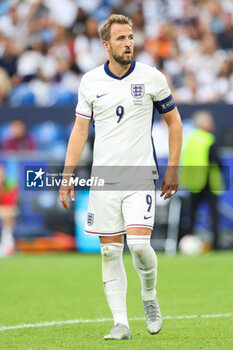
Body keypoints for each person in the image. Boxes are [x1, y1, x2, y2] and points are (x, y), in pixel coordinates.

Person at [60, 14, 182, 340]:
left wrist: (173, 167)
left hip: (140, 176)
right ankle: (121, 323)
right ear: (105, 45)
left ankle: (149, 296)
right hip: (104, 181)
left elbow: (175, 123)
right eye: (120, 38)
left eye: (130, 37)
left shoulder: (152, 77)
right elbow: (80, 131)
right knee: (110, 252)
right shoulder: (90, 82)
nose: (128, 43)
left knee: (140, 245)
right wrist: (67, 175)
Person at [180, 111, 224, 250]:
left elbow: (185, 162)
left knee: (191, 216)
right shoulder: (210, 139)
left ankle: (187, 240)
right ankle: (216, 244)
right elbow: (216, 160)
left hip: (194, 183)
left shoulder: (189, 140)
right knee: (214, 217)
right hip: (210, 182)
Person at [0, 165, 18, 257]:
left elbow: (10, 203)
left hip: (7, 210)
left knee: (10, 212)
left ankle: (7, 244)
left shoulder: (9, 185)